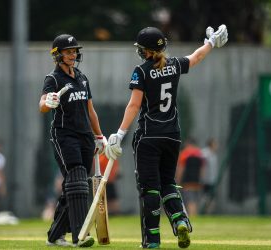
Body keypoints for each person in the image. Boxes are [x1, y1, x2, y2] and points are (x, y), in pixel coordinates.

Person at [105, 25, 228, 249]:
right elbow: (197, 56)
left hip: (148, 136)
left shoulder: (141, 71)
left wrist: (120, 133)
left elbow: (134, 105)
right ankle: (180, 219)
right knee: (168, 184)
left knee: (150, 188)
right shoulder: (174, 65)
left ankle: (152, 240)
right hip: (172, 135)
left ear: (146, 51)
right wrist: (210, 43)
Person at [39, 33, 107, 247]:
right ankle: (81, 235)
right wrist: (48, 101)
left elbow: (90, 110)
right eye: (68, 52)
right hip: (64, 135)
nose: (73, 54)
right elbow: (42, 104)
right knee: (76, 179)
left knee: (76, 186)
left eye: (74, 51)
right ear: (57, 55)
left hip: (85, 136)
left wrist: (99, 135)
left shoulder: (81, 77)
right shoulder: (53, 79)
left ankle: (54, 235)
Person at [176, 138, 204, 217]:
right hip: (197, 180)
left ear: (188, 144)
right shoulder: (199, 153)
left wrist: (178, 180)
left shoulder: (184, 153)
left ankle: (192, 217)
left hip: (187, 180)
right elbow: (202, 169)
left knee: (189, 200)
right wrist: (201, 179)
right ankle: (194, 215)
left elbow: (181, 168)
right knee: (195, 199)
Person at [201, 137, 218, 213]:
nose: (217, 146)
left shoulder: (214, 154)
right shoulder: (205, 153)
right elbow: (202, 165)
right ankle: (202, 212)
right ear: (211, 144)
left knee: (211, 199)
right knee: (205, 198)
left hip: (212, 180)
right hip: (205, 180)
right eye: (215, 144)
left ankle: (208, 213)